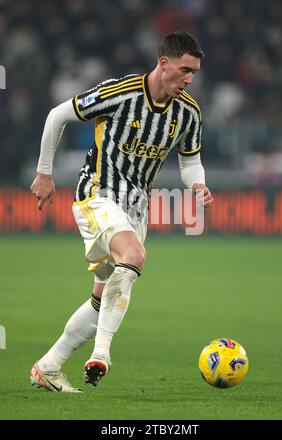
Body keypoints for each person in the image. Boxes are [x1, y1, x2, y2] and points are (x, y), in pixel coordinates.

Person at [29, 31, 213, 393]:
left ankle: (48, 366)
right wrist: (44, 172)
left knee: (103, 297)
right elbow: (57, 115)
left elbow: (191, 162)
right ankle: (102, 354)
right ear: (163, 63)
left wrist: (198, 184)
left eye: (194, 72)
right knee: (134, 255)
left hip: (136, 208)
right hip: (97, 194)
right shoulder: (120, 92)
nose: (189, 78)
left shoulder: (188, 112)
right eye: (184, 70)